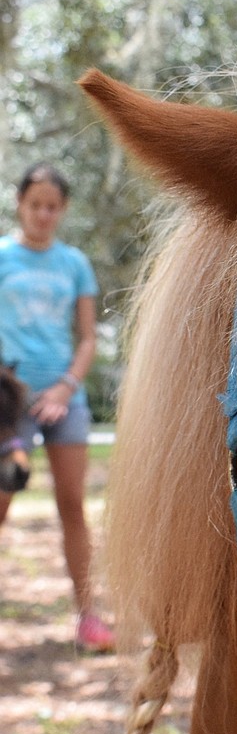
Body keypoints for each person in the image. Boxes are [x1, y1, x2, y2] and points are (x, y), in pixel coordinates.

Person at [0, 163, 115, 650]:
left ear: (62, 210)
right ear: (20, 204)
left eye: (52, 207)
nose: (43, 214)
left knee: (73, 506)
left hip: (64, 403)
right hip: (10, 405)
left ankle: (88, 617)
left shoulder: (74, 264)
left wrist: (66, 388)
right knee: (4, 496)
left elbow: (87, 337)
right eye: (35, 205)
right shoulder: (3, 255)